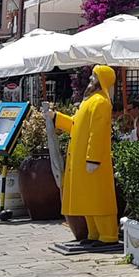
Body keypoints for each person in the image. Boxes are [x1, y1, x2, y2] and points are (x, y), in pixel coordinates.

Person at [56, 65, 118, 245]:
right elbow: (76, 125)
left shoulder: (100, 102)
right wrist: (56, 118)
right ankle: (94, 233)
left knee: (99, 198)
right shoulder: (88, 101)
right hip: (82, 159)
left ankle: (107, 234)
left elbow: (97, 133)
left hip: (92, 160)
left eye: (95, 76)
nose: (91, 79)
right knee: (88, 198)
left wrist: (94, 158)